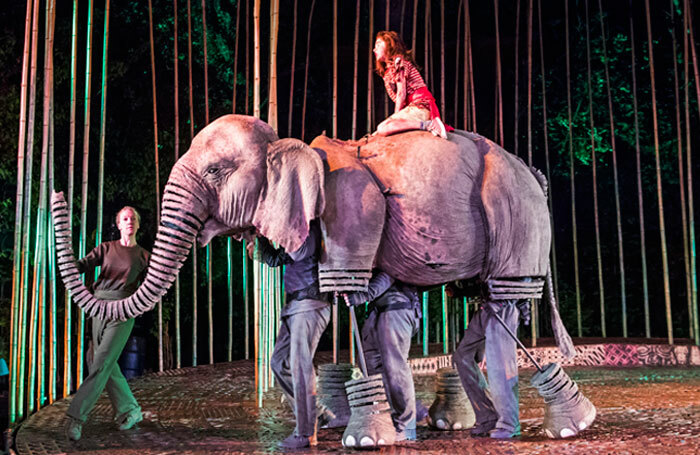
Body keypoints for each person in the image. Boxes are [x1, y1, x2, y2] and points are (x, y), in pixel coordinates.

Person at [65, 206, 150, 441]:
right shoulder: (106, 248)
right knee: (100, 361)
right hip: (98, 306)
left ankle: (75, 419)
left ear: (138, 225)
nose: (129, 221)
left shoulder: (144, 256)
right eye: (125, 218)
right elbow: (82, 265)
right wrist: (65, 263)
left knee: (101, 362)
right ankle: (130, 410)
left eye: (133, 218)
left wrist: (147, 301)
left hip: (123, 310)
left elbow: (152, 286)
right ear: (119, 224)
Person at [247, 220, 330, 450]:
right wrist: (260, 236)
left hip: (310, 304)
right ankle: (317, 414)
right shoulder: (293, 229)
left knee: (300, 368)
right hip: (294, 306)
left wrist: (273, 228)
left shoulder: (310, 227)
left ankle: (305, 432)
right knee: (278, 362)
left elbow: (299, 251)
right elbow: (275, 259)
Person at [343, 271, 422, 441]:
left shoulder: (394, 248)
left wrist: (362, 295)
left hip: (397, 307)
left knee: (395, 368)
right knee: (368, 360)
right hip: (378, 309)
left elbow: (390, 272)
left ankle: (405, 424)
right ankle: (389, 415)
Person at [451, 282, 532, 439]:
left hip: (504, 307)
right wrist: (461, 291)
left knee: (501, 366)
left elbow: (523, 277)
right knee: (462, 356)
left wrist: (507, 298)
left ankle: (509, 424)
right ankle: (488, 418)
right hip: (486, 307)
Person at [373, 30, 449, 139]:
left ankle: (429, 125)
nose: (374, 49)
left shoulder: (399, 64)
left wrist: (395, 117)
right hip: (414, 107)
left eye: (378, 44)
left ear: (390, 45)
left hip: (420, 106)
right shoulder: (389, 71)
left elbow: (401, 93)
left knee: (383, 128)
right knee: (378, 132)